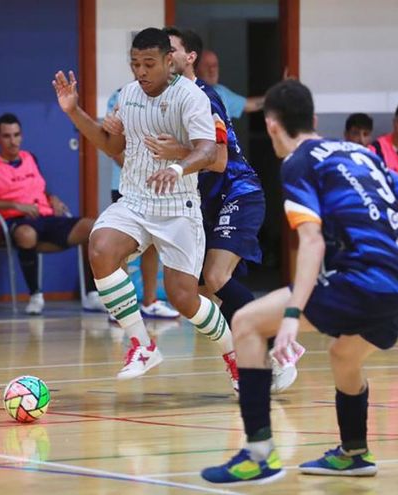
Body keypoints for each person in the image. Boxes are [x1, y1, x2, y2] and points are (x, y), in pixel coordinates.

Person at [201, 80, 398, 483]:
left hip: (366, 279)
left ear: (272, 125)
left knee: (245, 322)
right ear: (313, 119)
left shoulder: (297, 164)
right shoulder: (358, 152)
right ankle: (354, 452)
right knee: (344, 354)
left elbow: (311, 241)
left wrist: (291, 316)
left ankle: (258, 456)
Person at [53, 28, 237, 389]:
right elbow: (111, 145)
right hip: (135, 200)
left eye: (148, 63)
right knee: (100, 248)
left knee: (184, 298)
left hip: (178, 205)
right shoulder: (128, 95)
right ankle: (141, 345)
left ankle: (235, 358)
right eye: (135, 63)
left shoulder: (192, 97)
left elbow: (209, 151)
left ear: (169, 61)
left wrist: (177, 168)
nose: (141, 71)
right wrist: (74, 111)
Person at [151, 26, 300, 393]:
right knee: (202, 292)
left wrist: (176, 153)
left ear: (189, 57)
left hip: (238, 192)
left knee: (216, 277)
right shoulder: (166, 99)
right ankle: (254, 356)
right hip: (206, 205)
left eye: (172, 49)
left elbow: (217, 161)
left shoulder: (204, 97)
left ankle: (278, 350)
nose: (165, 56)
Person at [0, 113, 106, 315]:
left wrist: (52, 198)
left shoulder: (30, 158)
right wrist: (15, 205)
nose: (13, 141)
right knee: (27, 234)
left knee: (94, 227)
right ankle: (35, 295)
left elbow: (37, 188)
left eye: (16, 135)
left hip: (44, 216)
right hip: (14, 221)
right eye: (7, 136)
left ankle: (93, 294)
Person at [105, 89, 179, 320]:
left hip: (153, 183)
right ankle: (121, 306)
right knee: (120, 244)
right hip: (125, 184)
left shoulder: (168, 96)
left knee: (152, 242)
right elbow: (112, 145)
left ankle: (150, 301)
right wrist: (135, 171)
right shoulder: (121, 96)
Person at [196, 49, 264, 121]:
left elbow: (251, 105)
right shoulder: (191, 94)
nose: (212, 70)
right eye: (206, 65)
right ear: (195, 69)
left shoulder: (220, 91)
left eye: (215, 65)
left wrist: (271, 97)